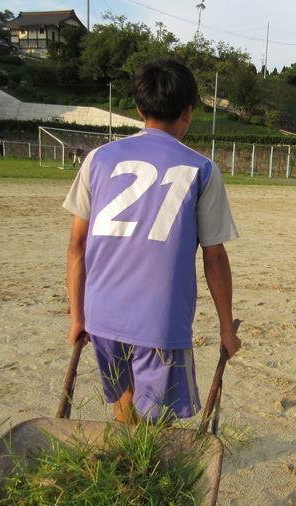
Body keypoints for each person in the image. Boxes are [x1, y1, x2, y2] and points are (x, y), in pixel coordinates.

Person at [64, 58, 241, 424]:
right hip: (160, 319)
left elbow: (77, 247)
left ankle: (124, 466)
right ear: (188, 112)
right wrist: (226, 327)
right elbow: (214, 258)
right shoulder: (201, 169)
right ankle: (142, 473)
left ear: (139, 108)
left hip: (102, 313)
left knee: (124, 403)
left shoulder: (97, 159)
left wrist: (78, 316)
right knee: (157, 419)